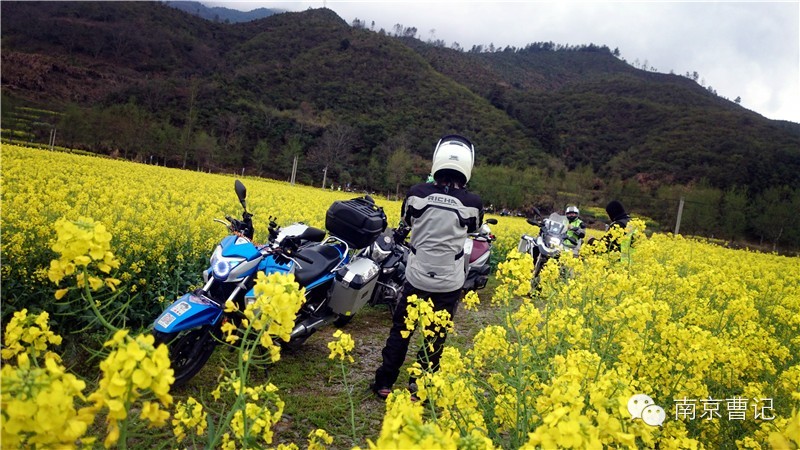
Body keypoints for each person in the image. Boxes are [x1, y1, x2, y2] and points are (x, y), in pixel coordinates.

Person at [372, 134, 483, 400]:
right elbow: (475, 228)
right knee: (435, 335)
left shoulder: (416, 193)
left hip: (417, 276)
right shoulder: (473, 202)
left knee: (401, 330)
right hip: (449, 281)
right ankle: (418, 388)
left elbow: (406, 221)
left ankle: (385, 383)